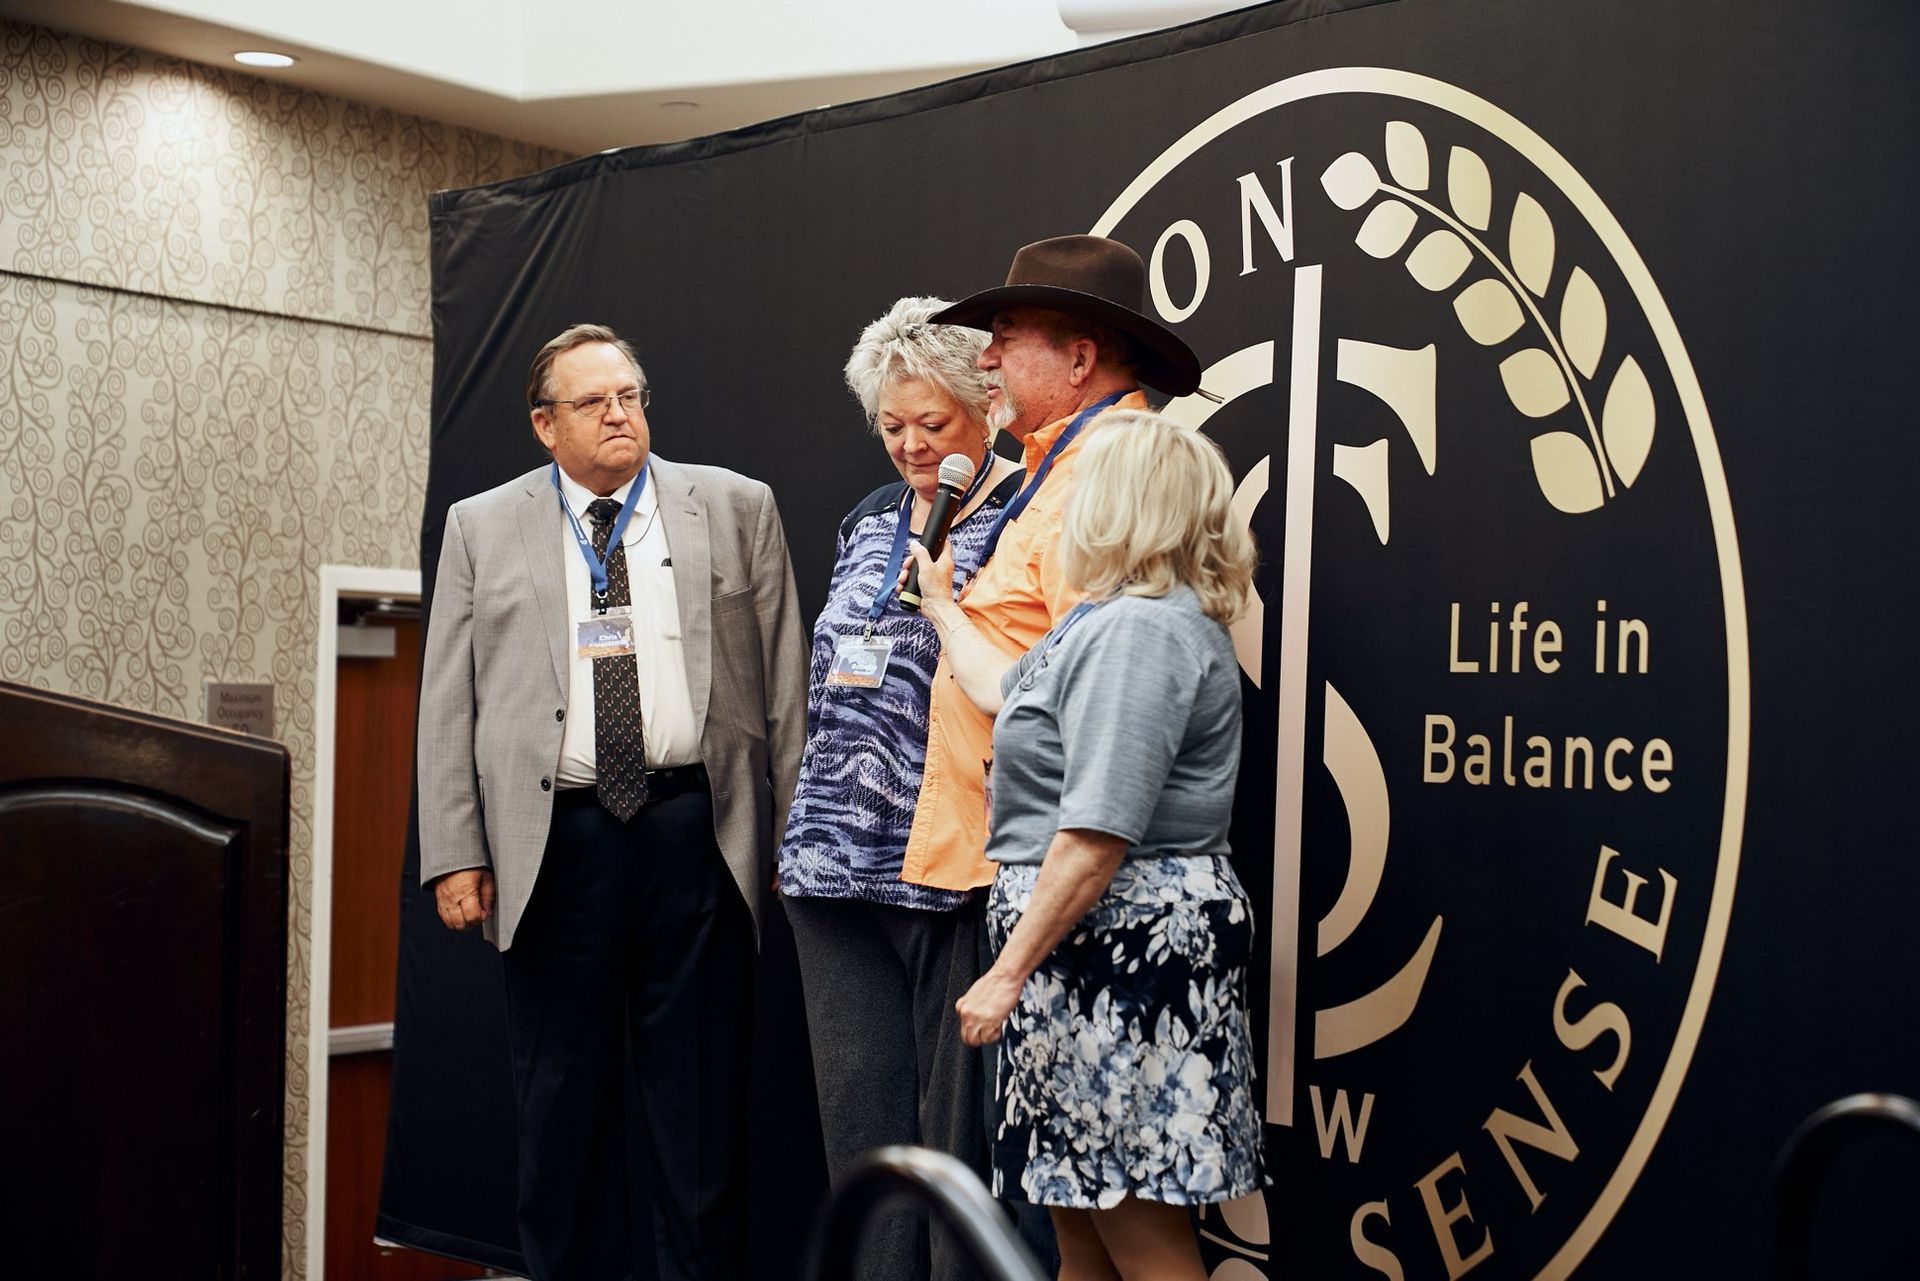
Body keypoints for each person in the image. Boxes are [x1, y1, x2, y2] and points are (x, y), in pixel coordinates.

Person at [415, 323, 807, 1281]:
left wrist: (800, 838)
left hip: (696, 833)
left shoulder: (734, 505)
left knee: (702, 1120)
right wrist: (454, 848)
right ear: (546, 424)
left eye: (631, 395)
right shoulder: (482, 523)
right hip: (555, 842)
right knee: (562, 1117)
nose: (621, 415)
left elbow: (789, 686)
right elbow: (448, 697)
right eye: (595, 403)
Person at [908, 411, 1267, 1281]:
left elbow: (1097, 831)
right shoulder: (1100, 619)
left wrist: (1006, 970)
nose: (1062, 502)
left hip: (1123, 951)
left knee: (1141, 1238)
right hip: (1077, 956)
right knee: (1082, 1230)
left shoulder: (1142, 629)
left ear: (1122, 502)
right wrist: (943, 605)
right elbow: (999, 686)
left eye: (1083, 483)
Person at [777, 296, 1023, 1280]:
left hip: (950, 869)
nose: (912, 447)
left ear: (989, 408)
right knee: (867, 1153)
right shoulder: (868, 521)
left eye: (934, 424)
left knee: (951, 1160)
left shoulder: (1025, 516)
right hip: (835, 872)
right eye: (893, 426)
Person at [901, 233, 1203, 904]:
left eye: (1005, 337)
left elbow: (1101, 706)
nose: (986, 358)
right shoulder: (1061, 466)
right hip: (1010, 850)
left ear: (1079, 360)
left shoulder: (1106, 479)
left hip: (1059, 871)